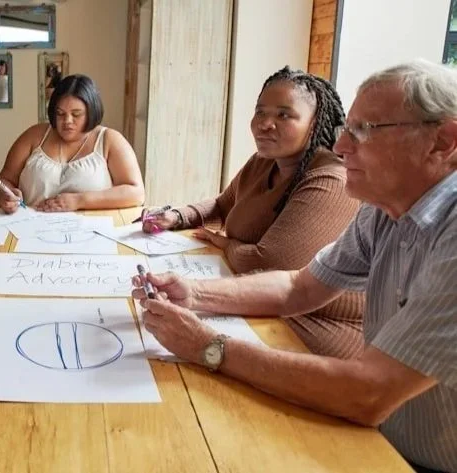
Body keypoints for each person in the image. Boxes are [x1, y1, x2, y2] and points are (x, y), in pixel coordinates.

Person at [134, 60, 457, 473]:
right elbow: (298, 288)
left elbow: (370, 393)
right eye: (346, 130)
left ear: (443, 141)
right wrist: (195, 293)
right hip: (378, 437)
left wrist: (207, 347)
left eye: (365, 132)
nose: (341, 147)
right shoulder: (384, 207)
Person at [142, 66, 364, 358]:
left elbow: (272, 264)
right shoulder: (264, 162)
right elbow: (224, 203)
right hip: (256, 304)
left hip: (314, 328)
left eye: (284, 115)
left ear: (315, 122)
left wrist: (229, 245)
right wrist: (178, 215)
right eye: (260, 112)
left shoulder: (330, 180)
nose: (265, 124)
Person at [0, 74, 145, 213]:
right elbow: (3, 181)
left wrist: (80, 200)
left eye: (76, 114)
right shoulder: (34, 136)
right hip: (31, 228)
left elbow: (136, 193)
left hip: (92, 233)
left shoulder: (109, 140)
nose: (67, 121)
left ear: (91, 111)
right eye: (60, 114)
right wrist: (5, 195)